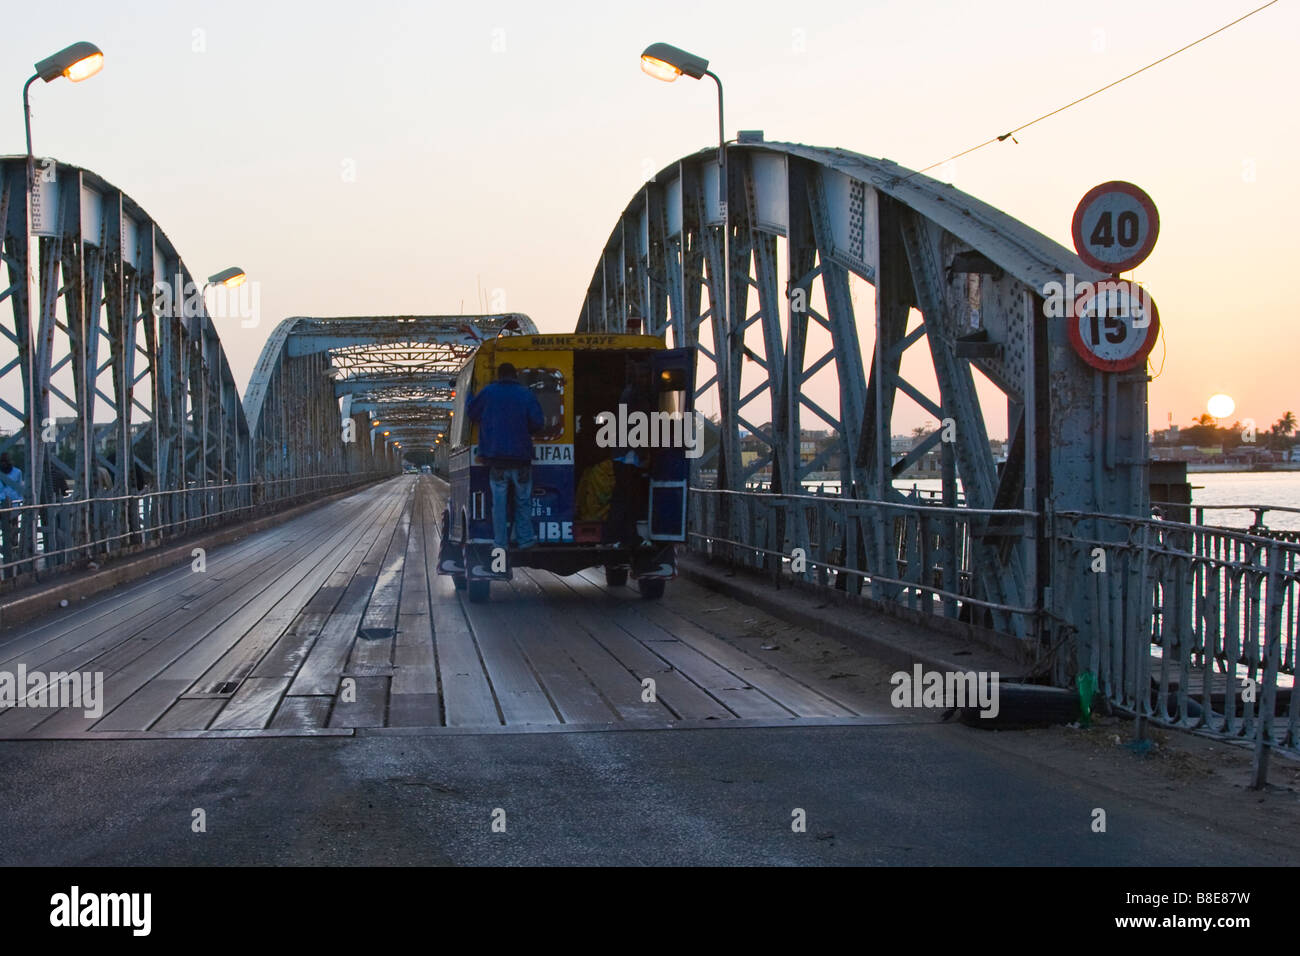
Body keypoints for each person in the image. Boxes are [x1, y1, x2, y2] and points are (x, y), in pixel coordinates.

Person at [466, 362, 544, 553]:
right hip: (521, 459)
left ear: (498, 375)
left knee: (498, 504)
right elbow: (538, 423)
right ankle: (525, 540)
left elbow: (471, 412)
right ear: (515, 375)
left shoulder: (488, 392)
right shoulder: (526, 394)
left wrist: (468, 392)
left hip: (496, 460)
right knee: (523, 501)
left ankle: (500, 542)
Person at [605, 360, 654, 547]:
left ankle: (619, 536)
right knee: (628, 498)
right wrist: (644, 454)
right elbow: (638, 428)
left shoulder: (627, 394)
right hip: (628, 455)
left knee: (622, 497)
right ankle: (625, 536)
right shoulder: (638, 397)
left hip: (621, 453)